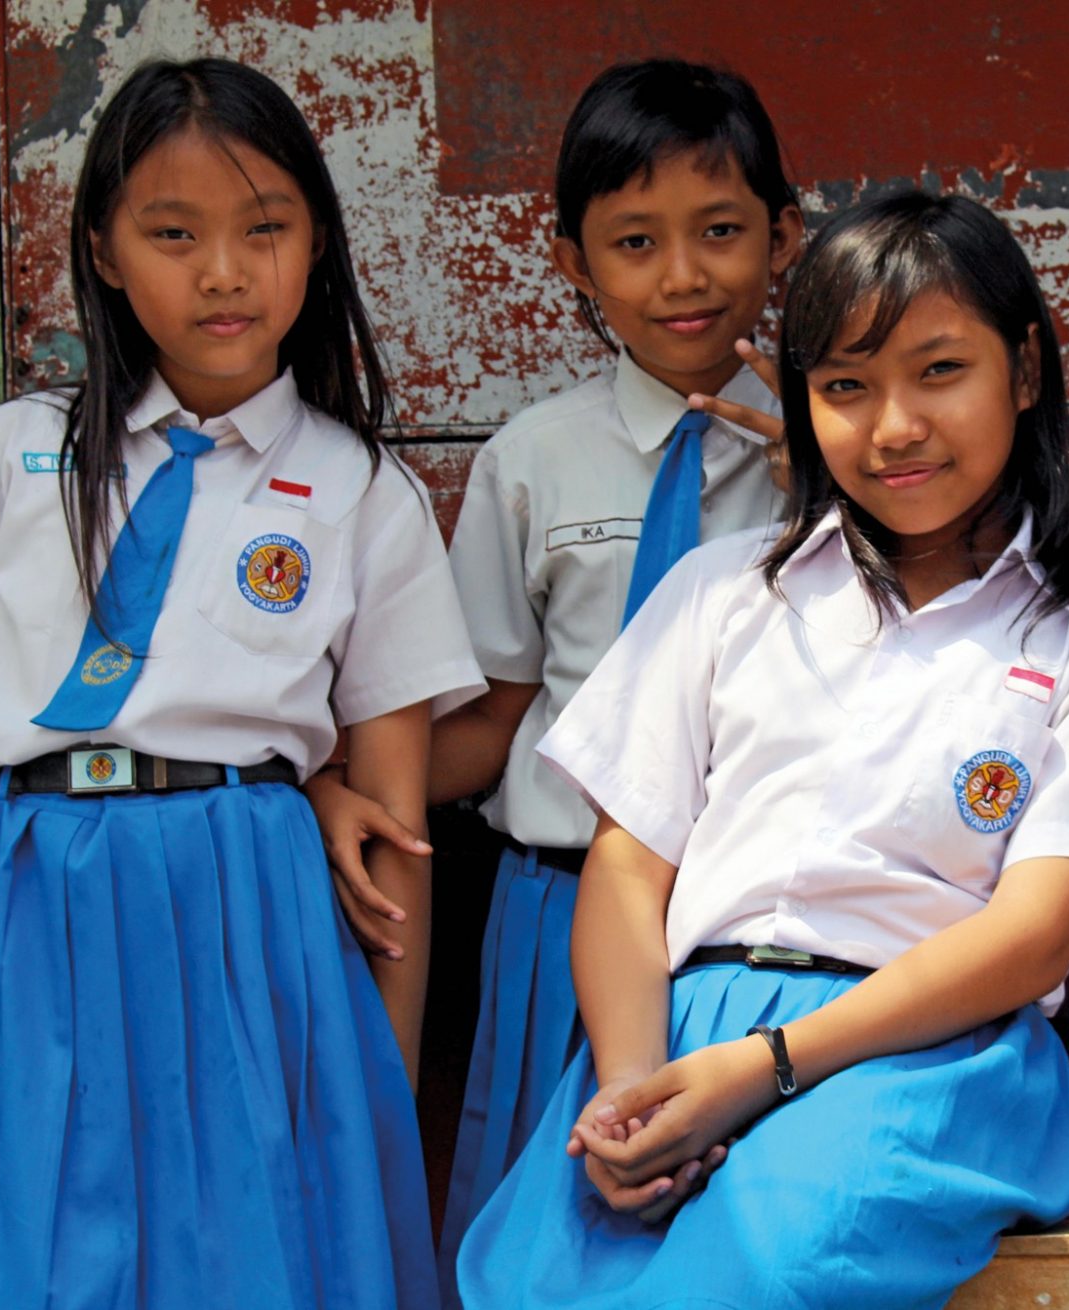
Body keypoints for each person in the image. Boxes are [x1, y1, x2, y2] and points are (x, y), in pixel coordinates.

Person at [455, 191, 1069, 1308]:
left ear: (1025, 371)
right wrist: (630, 1085)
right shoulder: (720, 592)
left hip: (931, 1058)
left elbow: (1034, 936)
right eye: (845, 386)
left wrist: (771, 1065)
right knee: (524, 1282)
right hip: (683, 1032)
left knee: (776, 1264)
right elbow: (627, 867)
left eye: (939, 371)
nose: (893, 426)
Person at [0, 58, 481, 1308]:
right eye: (173, 233)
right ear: (103, 251)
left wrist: (377, 1077)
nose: (223, 271)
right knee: (30, 1258)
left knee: (241, 1255)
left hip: (247, 915)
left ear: (316, 242)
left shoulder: (361, 491)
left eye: (264, 228)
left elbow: (395, 825)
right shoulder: (7, 456)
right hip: (25, 897)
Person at [307, 60, 804, 1297]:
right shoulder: (533, 461)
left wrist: (830, 491)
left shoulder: (844, 458)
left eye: (720, 231)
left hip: (753, 933)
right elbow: (495, 713)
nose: (681, 276)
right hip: (556, 909)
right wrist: (323, 785)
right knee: (555, 1231)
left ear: (783, 238)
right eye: (635, 242)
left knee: (742, 1244)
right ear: (572, 263)